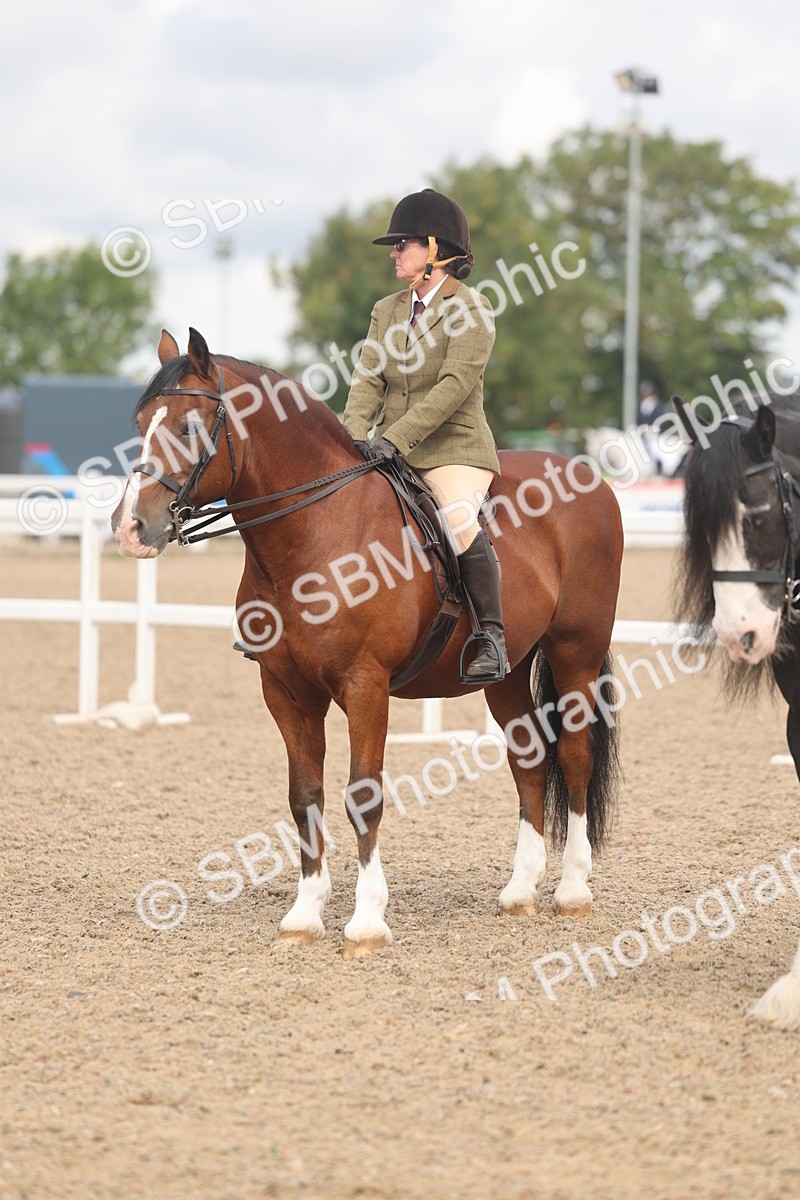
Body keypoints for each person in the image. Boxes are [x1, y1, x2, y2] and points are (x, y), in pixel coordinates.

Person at [341, 188, 508, 682]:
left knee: (457, 520)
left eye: (403, 244)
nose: (394, 254)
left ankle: (491, 636)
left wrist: (394, 438)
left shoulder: (472, 309)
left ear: (436, 250)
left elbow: (455, 386)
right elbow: (368, 380)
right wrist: (347, 444)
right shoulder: (386, 310)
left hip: (454, 449)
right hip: (389, 450)